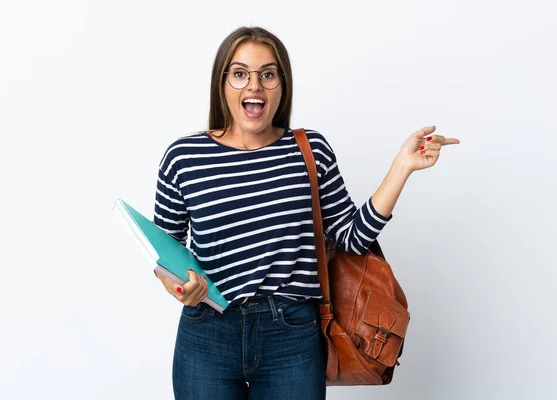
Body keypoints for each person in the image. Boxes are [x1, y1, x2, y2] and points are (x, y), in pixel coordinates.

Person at [153, 26, 459, 399]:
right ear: (222, 84)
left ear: (282, 84)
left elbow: (351, 237)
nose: (254, 86)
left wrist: (401, 168)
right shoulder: (184, 157)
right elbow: (164, 248)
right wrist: (179, 284)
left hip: (291, 335)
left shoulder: (309, 150)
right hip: (207, 332)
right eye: (240, 73)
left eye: (267, 74)